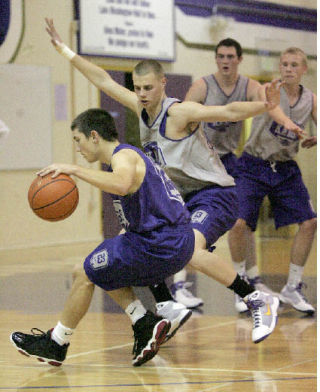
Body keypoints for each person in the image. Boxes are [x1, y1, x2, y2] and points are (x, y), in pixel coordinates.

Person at [25, 18, 281, 347]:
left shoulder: (179, 112)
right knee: (131, 236)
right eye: (138, 88)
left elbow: (229, 110)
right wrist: (65, 50)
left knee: (189, 249)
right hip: (178, 197)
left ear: (163, 83)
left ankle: (257, 300)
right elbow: (102, 79)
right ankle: (164, 303)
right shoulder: (139, 107)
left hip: (214, 194)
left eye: (149, 87)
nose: (143, 94)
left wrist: (264, 105)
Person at [11, 108, 195, 367]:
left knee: (86, 270)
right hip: (170, 241)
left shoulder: (124, 157)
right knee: (102, 265)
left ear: (94, 136)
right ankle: (144, 323)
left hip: (164, 242)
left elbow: (120, 184)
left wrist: (74, 170)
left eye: (78, 140)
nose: (78, 147)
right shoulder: (124, 159)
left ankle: (57, 343)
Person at [184, 38, 305, 313]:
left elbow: (268, 105)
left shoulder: (249, 86)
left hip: (227, 160)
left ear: (239, 60)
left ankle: (252, 279)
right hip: (198, 162)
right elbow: (182, 115)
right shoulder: (202, 86)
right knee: (186, 219)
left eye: (230, 56)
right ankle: (180, 285)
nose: (225, 60)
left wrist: (289, 124)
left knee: (242, 222)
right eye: (221, 56)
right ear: (216, 59)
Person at [228, 47, 317, 315]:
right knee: (239, 223)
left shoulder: (311, 99)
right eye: (284, 64)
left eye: (294, 65)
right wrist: (290, 124)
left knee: (310, 222)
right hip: (254, 164)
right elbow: (274, 109)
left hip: (285, 168)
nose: (288, 69)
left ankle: (292, 285)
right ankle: (241, 284)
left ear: (303, 70)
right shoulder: (267, 89)